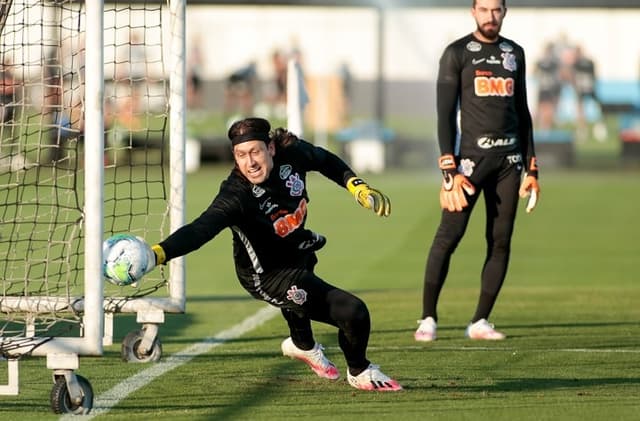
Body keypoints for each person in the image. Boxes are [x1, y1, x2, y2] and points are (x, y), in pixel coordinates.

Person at [139, 117, 402, 391]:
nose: (250, 162)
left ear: (271, 149)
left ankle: (303, 347)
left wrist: (354, 184)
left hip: (295, 248)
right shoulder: (235, 195)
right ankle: (360, 371)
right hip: (266, 275)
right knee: (354, 312)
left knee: (306, 267)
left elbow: (324, 160)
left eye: (255, 152)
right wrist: (157, 253)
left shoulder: (293, 153)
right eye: (241, 155)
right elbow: (199, 230)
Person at [414, 0, 540, 342]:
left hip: (509, 163)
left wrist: (532, 166)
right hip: (469, 162)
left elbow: (522, 111)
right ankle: (428, 317)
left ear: (505, 12)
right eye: (484, 10)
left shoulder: (515, 53)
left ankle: (480, 320)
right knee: (448, 237)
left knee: (500, 241)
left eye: (496, 9)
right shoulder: (457, 53)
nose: (491, 16)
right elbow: (444, 114)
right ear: (473, 12)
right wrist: (448, 169)